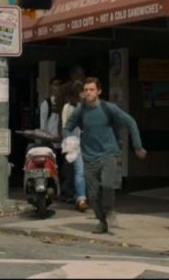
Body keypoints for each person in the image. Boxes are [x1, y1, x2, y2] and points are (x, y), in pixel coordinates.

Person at [64, 77, 147, 235]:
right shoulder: (80, 110)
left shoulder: (108, 108)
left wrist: (137, 146)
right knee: (93, 195)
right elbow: (67, 128)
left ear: (99, 91)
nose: (88, 93)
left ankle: (109, 211)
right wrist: (70, 141)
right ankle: (102, 221)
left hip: (109, 154)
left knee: (108, 185)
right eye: (86, 90)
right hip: (88, 156)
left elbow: (130, 122)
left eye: (92, 90)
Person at [60, 80, 88, 212]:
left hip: (90, 142)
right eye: (82, 91)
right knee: (79, 171)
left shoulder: (90, 106)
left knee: (89, 171)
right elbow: (65, 127)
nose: (84, 93)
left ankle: (83, 195)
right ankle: (81, 198)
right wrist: (68, 145)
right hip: (75, 142)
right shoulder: (68, 107)